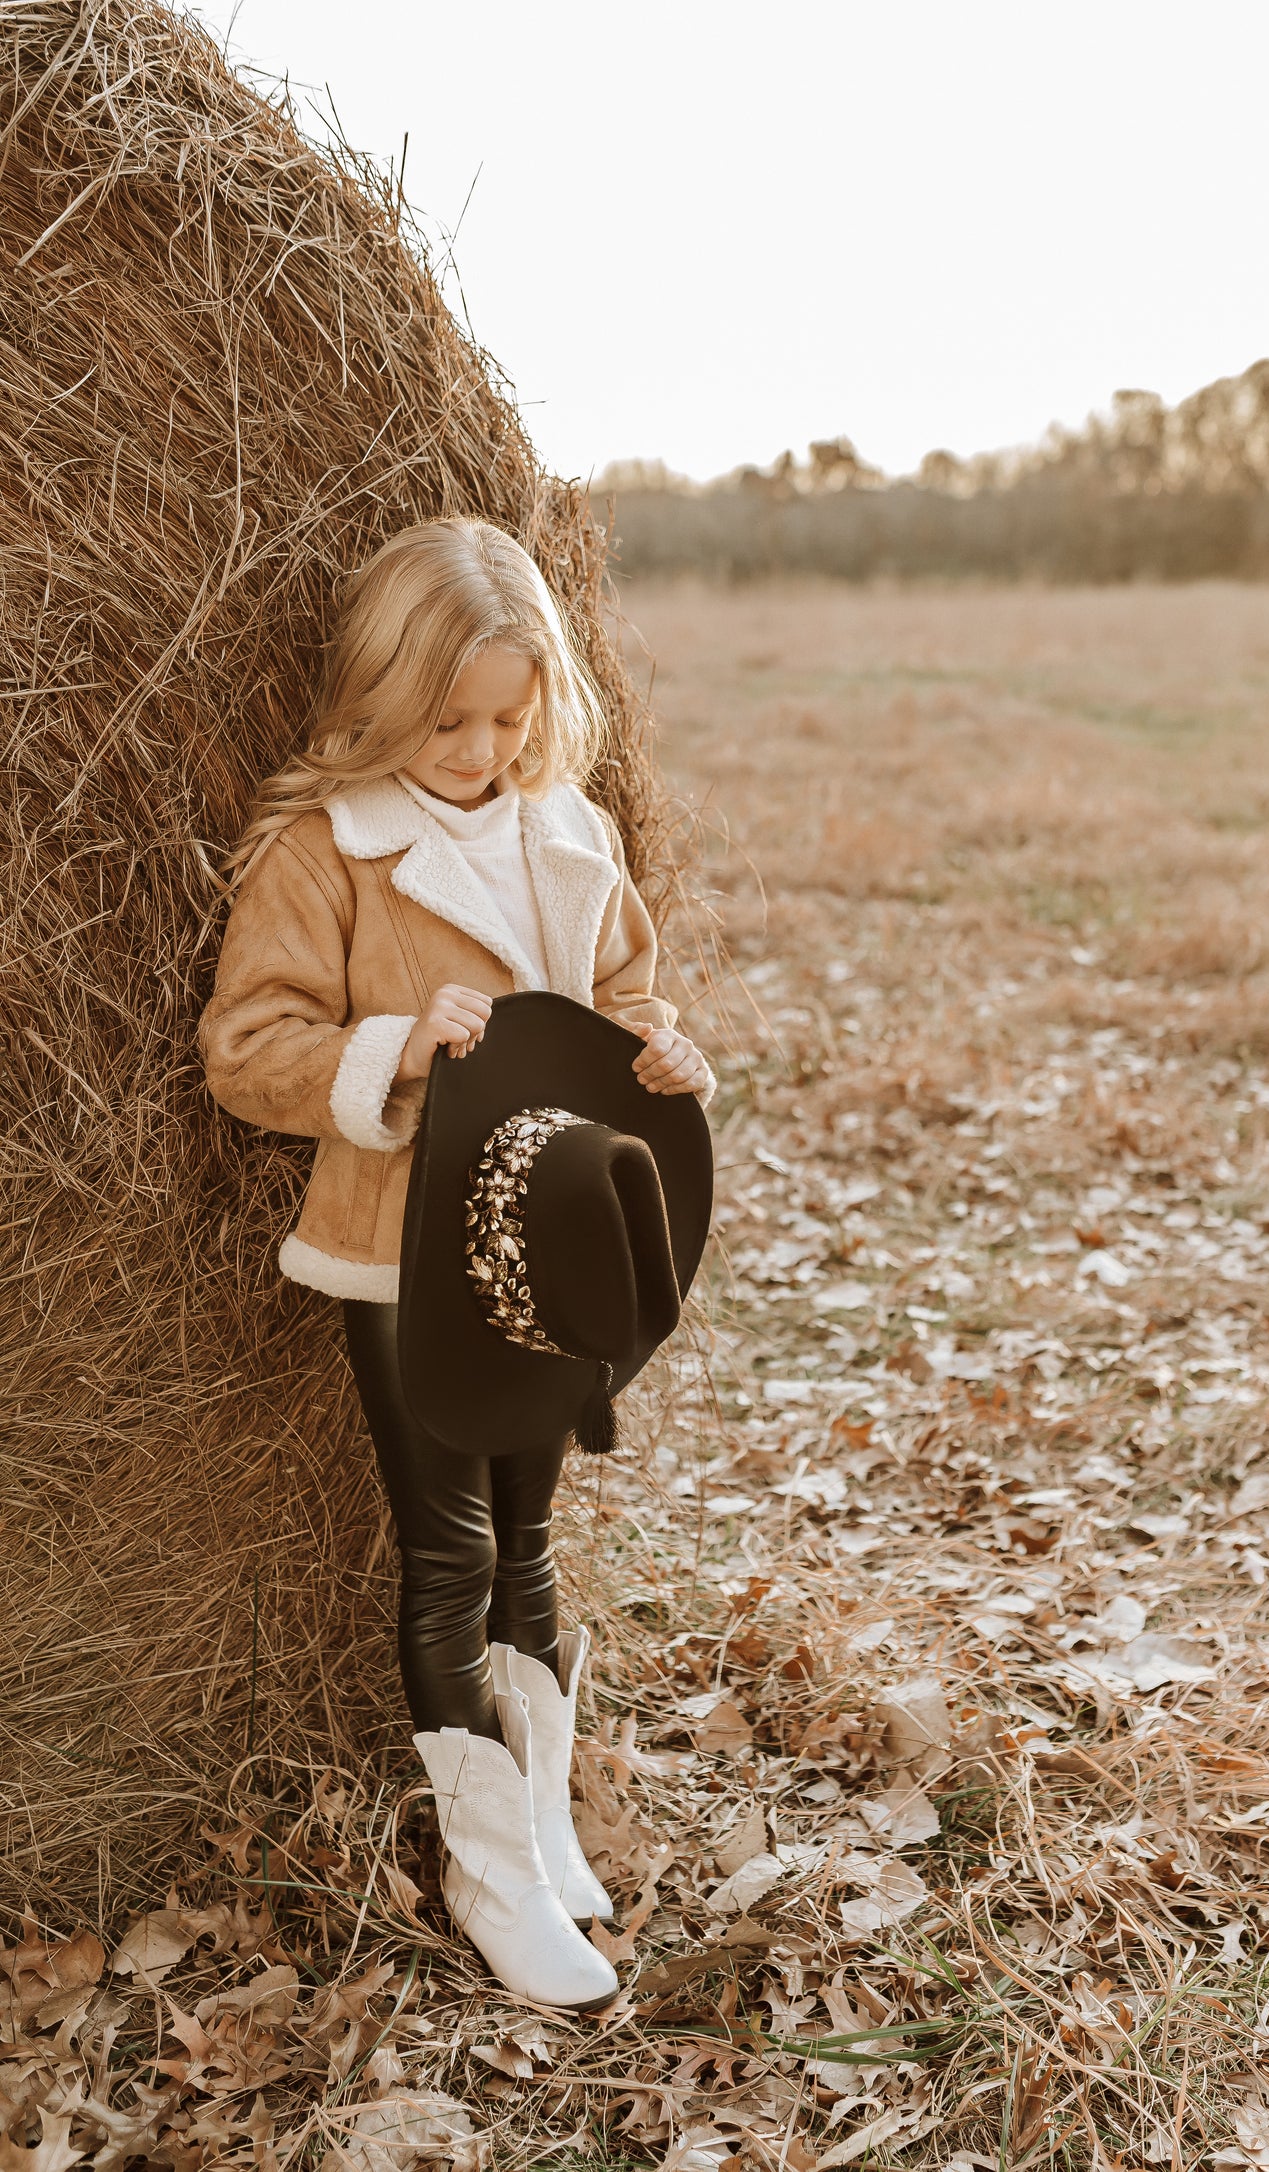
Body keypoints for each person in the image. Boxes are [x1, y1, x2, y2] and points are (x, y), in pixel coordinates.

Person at [199, 517, 713, 2007]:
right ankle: (482, 1869)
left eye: (509, 716)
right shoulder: (328, 851)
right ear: (380, 695)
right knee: (454, 1556)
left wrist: (661, 1051)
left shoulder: (573, 830)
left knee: (535, 1552)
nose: (483, 748)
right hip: (402, 1257)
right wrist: (393, 1050)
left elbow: (617, 997)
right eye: (451, 720)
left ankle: (540, 1834)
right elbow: (247, 1050)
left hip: (548, 1252)